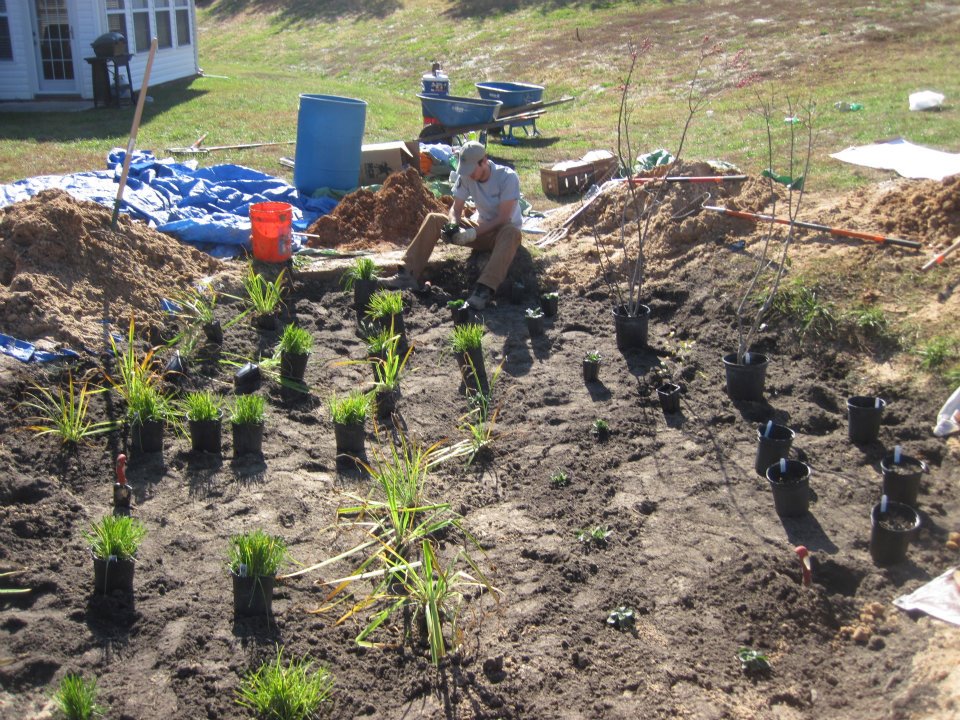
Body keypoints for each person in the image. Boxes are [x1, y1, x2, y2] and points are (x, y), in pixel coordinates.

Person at [381, 141, 523, 310]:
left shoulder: (507, 177)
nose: (469, 175)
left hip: (504, 235)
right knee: (434, 219)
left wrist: (472, 233)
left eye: (472, 170)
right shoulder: (466, 176)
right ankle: (407, 274)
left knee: (511, 232)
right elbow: (456, 209)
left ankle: (483, 290)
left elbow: (503, 218)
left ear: (484, 161)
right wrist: (453, 225)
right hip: (482, 229)